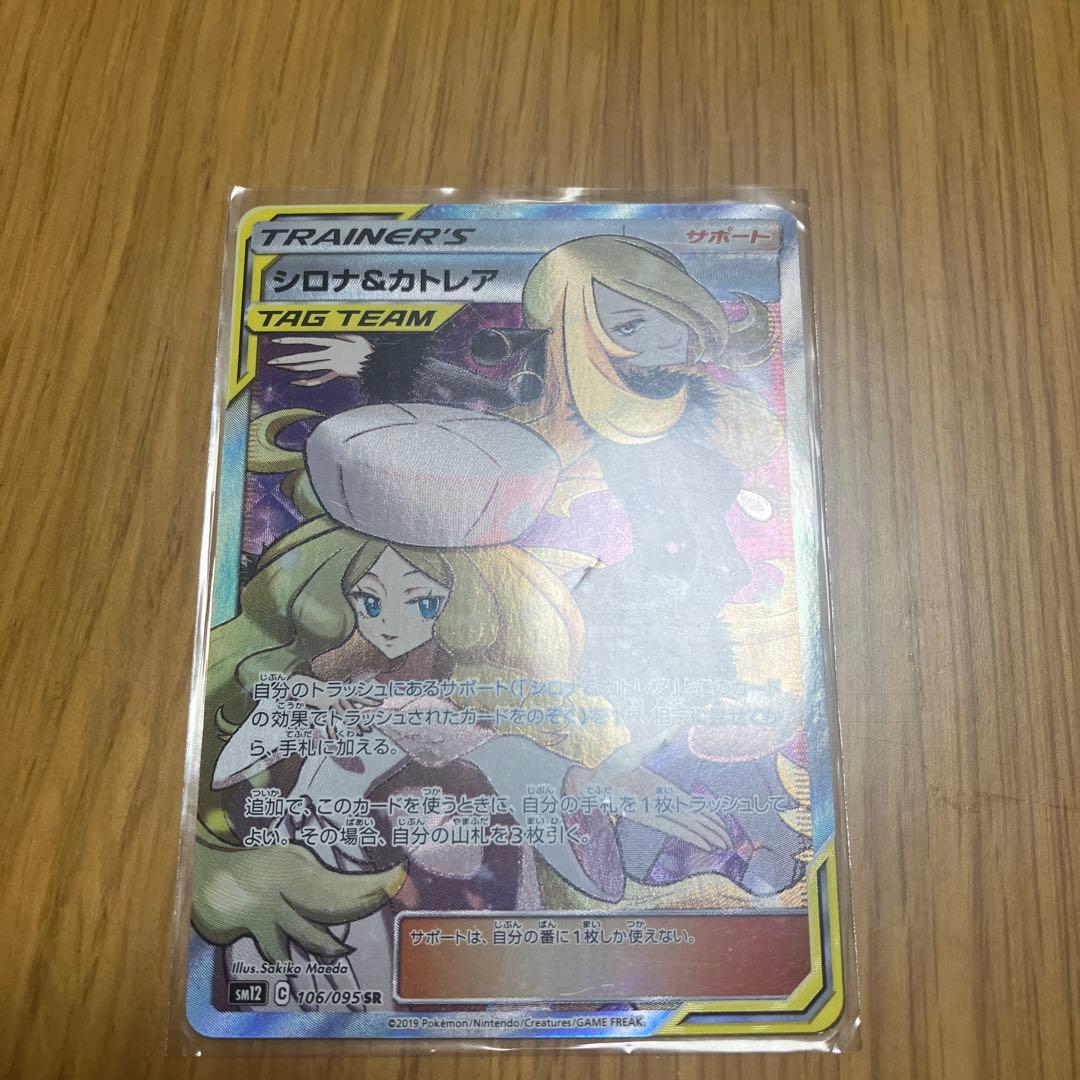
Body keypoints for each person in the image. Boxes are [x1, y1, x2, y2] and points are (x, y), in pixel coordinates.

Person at [195, 404, 733, 1010]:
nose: (390, 622)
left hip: (420, 925)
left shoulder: (452, 707)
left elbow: (481, 745)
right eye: (369, 600)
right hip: (301, 921)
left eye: (421, 602)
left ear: (462, 607)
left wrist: (578, 782)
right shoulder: (299, 689)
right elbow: (228, 769)